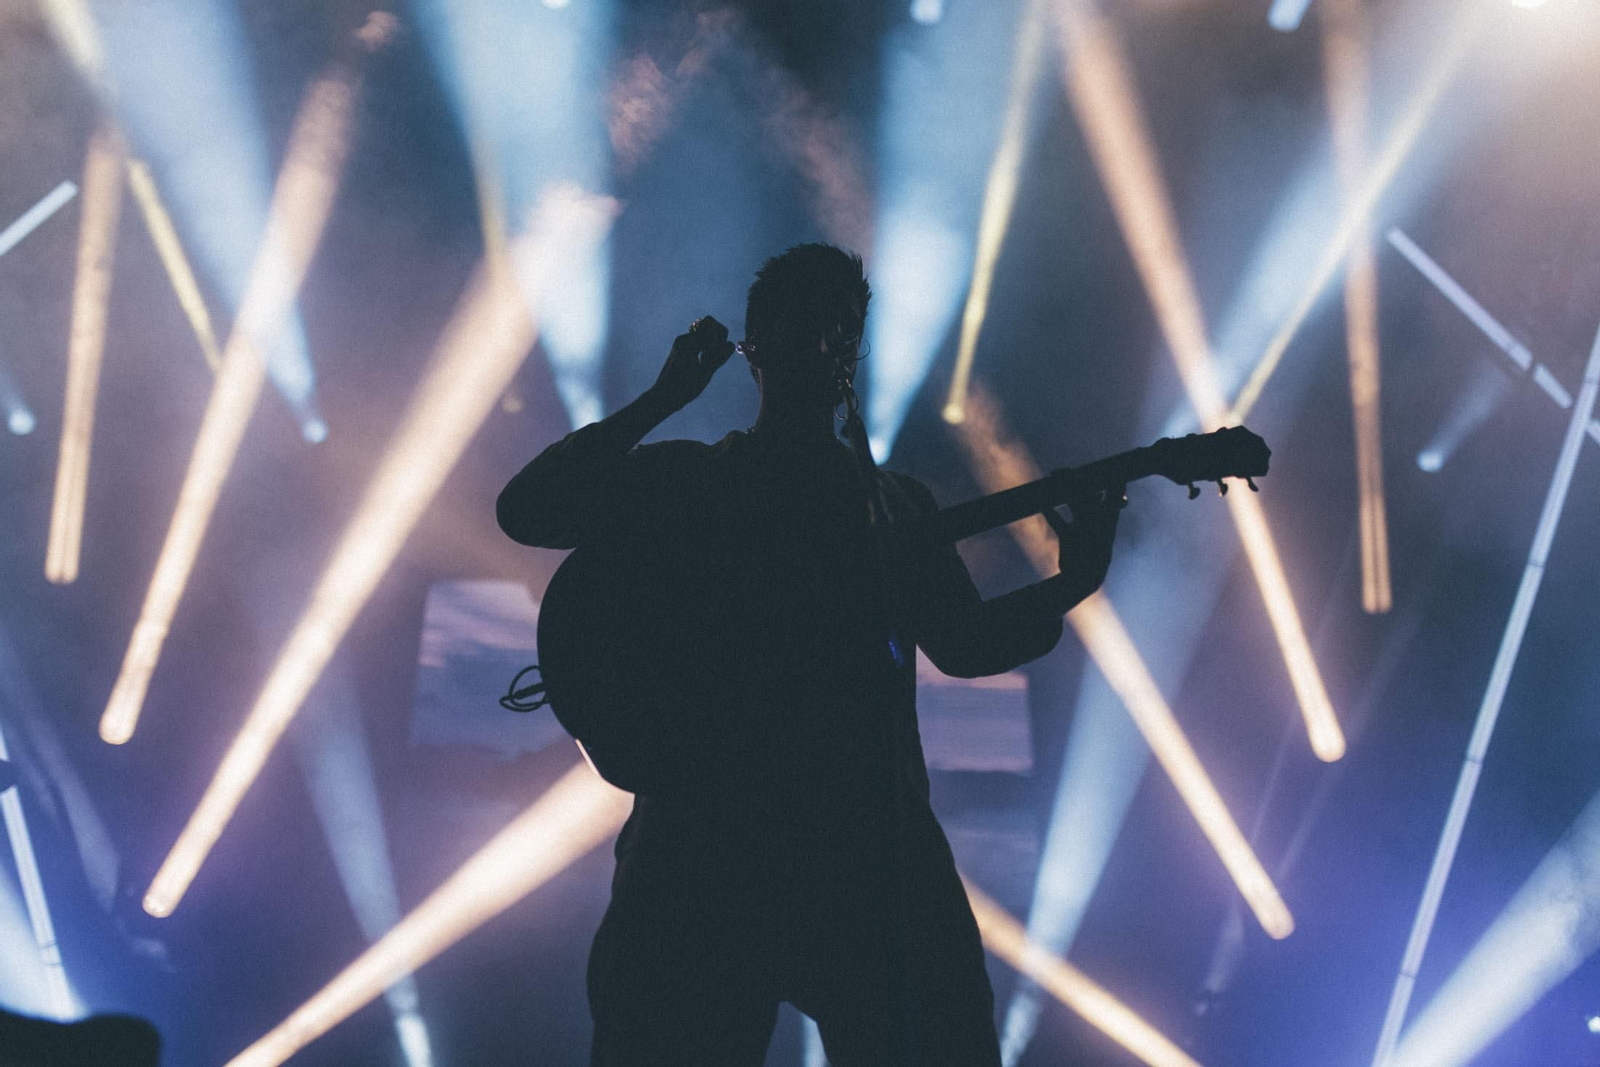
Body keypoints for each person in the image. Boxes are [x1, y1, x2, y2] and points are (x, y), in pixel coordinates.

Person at [496, 244, 1122, 1066]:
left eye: (837, 330)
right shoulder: (694, 481)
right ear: (758, 348)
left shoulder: (890, 503)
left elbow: (966, 642)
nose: (823, 349)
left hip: (851, 848)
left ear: (852, 348)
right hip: (720, 847)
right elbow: (528, 509)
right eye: (803, 330)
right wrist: (661, 399)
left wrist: (1070, 586)